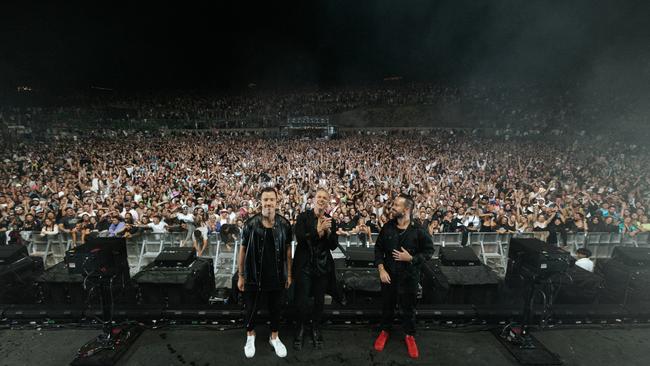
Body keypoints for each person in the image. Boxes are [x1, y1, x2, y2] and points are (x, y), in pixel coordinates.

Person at [373, 194, 434, 359]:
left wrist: (412, 259)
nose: (393, 207)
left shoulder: (419, 230)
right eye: (393, 204)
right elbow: (378, 249)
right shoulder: (388, 227)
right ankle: (385, 330)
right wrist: (381, 270)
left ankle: (409, 335)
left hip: (409, 278)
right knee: (387, 306)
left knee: (409, 308)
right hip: (389, 276)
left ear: (406, 209)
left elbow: (429, 251)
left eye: (396, 205)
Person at [236, 187, 293, 359]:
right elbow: (242, 251)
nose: (268, 203)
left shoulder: (284, 224)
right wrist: (241, 275)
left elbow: (288, 252)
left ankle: (274, 337)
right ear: (260, 202)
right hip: (253, 275)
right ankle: (250, 335)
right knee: (251, 309)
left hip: (276, 276)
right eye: (265, 200)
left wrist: (289, 274)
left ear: (277, 202)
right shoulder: (250, 224)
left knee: (276, 309)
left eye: (271, 200)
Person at [292, 188, 338, 350]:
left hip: (322, 266)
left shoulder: (331, 220)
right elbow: (301, 239)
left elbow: (333, 245)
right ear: (314, 199)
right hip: (304, 266)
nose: (321, 199)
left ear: (328, 201)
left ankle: (316, 328)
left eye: (325, 198)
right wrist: (318, 231)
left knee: (319, 301)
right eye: (319, 196)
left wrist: (329, 231)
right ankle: (300, 328)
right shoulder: (303, 217)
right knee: (302, 301)